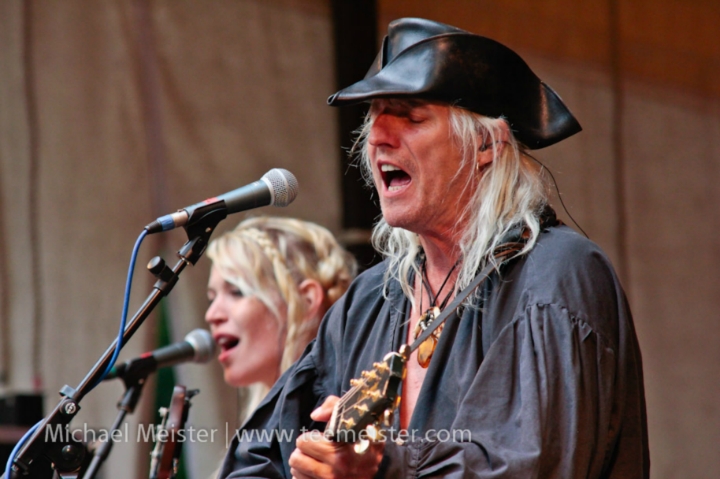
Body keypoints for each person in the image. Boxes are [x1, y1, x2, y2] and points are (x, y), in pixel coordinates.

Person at [219, 18, 649, 478]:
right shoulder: (368, 302)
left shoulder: (558, 274)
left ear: (486, 144)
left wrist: (383, 467)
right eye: (374, 116)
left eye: (411, 116)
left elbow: (533, 465)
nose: (379, 136)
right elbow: (259, 456)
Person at [205, 216, 357, 417]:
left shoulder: (338, 414)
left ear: (307, 301)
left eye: (236, 292)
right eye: (212, 298)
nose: (211, 315)